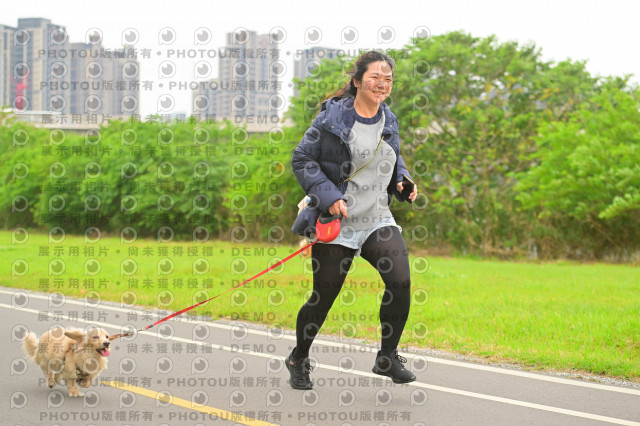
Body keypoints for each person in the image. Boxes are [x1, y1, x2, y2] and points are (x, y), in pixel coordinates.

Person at [287, 51, 418, 390]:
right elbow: (302, 159)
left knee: (400, 281)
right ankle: (299, 357)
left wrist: (402, 180)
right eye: (375, 77)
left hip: (376, 217)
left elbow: (393, 157)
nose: (382, 84)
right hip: (338, 222)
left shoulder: (389, 119)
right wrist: (329, 197)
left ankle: (387, 357)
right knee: (323, 298)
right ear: (358, 81)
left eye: (388, 79)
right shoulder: (331, 119)